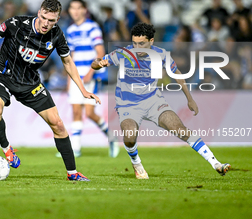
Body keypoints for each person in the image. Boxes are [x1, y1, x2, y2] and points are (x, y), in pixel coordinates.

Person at [0, 0, 100, 181]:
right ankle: (7, 150)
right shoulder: (17, 24)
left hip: (30, 83)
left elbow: (67, 62)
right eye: (44, 18)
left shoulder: (57, 35)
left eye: (51, 20)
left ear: (57, 20)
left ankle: (72, 173)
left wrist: (82, 89)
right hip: (2, 77)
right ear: (39, 13)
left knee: (58, 124)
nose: (46, 23)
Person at [91, 22, 231, 179]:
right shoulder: (123, 53)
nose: (137, 48)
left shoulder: (162, 54)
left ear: (151, 41)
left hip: (153, 101)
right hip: (127, 104)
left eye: (141, 44)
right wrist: (99, 63)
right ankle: (136, 163)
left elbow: (177, 75)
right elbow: (96, 63)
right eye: (134, 43)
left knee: (179, 128)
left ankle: (216, 163)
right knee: (129, 138)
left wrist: (190, 99)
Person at [63, 0, 119, 158]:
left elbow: (100, 52)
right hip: (76, 76)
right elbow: (70, 56)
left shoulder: (92, 27)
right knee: (75, 111)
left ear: (84, 10)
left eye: (78, 8)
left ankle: (112, 138)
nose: (75, 11)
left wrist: (90, 72)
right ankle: (75, 149)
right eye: (72, 8)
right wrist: (69, 78)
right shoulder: (71, 29)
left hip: (90, 75)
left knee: (89, 113)